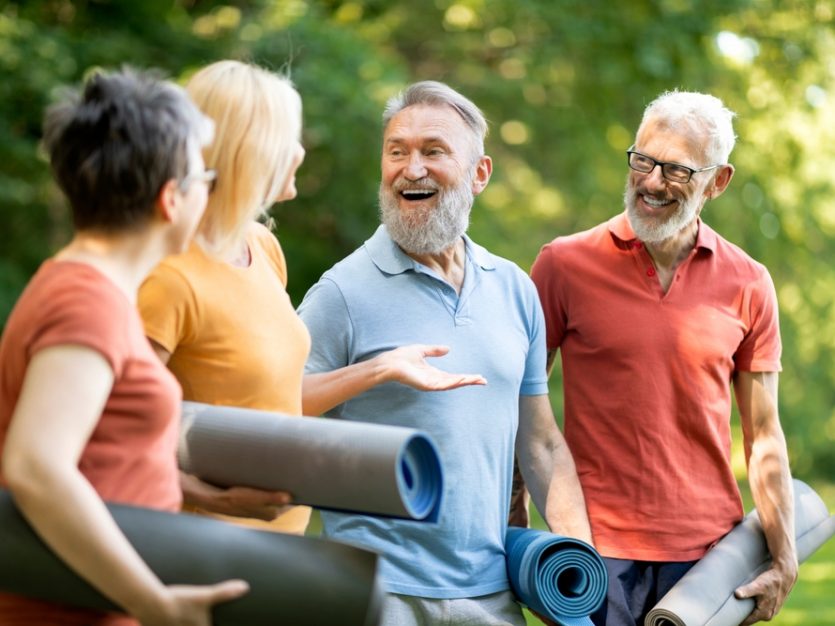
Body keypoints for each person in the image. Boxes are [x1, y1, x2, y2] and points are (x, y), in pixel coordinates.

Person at [297, 80, 592, 626]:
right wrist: (377, 370)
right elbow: (274, 405)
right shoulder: (340, 293)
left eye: (433, 151)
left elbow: (542, 444)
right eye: (397, 152)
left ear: (479, 174)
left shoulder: (515, 289)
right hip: (375, 592)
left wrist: (579, 569)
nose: (412, 169)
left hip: (491, 595)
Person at [528, 90, 797, 626]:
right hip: (594, 549)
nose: (652, 182)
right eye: (643, 161)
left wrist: (784, 558)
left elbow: (764, 435)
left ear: (717, 181)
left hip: (710, 560)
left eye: (676, 170)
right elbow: (520, 411)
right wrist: (518, 531)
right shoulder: (562, 265)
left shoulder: (749, 282)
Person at [0, 68, 248, 625]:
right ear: (170, 200)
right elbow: (37, 467)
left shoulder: (92, 292)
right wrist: (151, 601)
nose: (209, 191)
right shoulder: (85, 304)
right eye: (204, 177)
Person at [138, 60, 309, 534]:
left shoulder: (262, 245)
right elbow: (110, 433)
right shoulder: (168, 274)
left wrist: (378, 369)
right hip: (199, 547)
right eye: (287, 137)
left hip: (279, 549)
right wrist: (215, 498)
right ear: (247, 151)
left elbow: (268, 396)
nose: (299, 151)